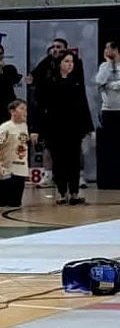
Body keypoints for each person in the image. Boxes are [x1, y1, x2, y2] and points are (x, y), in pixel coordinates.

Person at [33, 51, 93, 205]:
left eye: (71, 61)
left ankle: (74, 193)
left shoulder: (76, 81)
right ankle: (62, 193)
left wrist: (89, 127)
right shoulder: (49, 81)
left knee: (74, 161)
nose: (70, 64)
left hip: (74, 128)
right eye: (66, 61)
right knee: (59, 161)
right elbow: (40, 107)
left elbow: (83, 105)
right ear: (60, 63)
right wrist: (36, 129)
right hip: (55, 128)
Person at [0, 100, 33, 208]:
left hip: (20, 170)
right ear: (12, 111)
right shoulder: (5, 127)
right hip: (7, 171)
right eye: (21, 109)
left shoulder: (25, 126)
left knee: (15, 203)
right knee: (1, 203)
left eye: (26, 110)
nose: (25, 112)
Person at [94, 41, 120, 188]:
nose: (106, 50)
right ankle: (109, 179)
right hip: (108, 110)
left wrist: (111, 85)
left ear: (116, 50)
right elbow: (99, 81)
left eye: (109, 48)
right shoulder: (104, 66)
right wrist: (109, 64)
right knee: (110, 146)